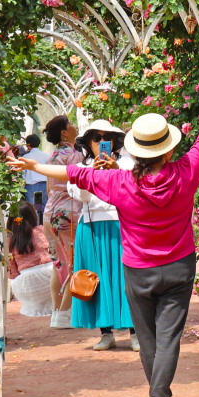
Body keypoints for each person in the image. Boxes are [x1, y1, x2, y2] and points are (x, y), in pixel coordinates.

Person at [7, 83, 199, 397]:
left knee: (148, 338)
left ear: (136, 152)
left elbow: (73, 173)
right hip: (178, 267)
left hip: (138, 270)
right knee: (168, 337)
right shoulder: (187, 171)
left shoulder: (120, 182)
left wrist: (34, 166)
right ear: (168, 150)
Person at [68, 119, 138, 352]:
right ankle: (106, 333)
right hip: (91, 228)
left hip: (121, 225)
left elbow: (134, 189)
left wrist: (114, 170)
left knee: (126, 280)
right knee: (96, 280)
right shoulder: (82, 167)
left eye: (107, 138)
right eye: (96, 138)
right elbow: (81, 196)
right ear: (88, 142)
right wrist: (93, 174)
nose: (102, 142)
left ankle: (135, 333)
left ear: (114, 141)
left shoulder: (127, 164)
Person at [42, 115, 84, 329]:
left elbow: (49, 187)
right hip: (69, 212)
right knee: (74, 261)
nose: (74, 126)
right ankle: (65, 313)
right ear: (64, 133)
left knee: (58, 263)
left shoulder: (51, 157)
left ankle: (56, 312)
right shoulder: (75, 156)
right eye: (70, 124)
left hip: (50, 212)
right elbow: (80, 185)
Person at [6, 201, 55, 318]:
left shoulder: (10, 240)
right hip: (49, 279)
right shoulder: (41, 230)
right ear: (32, 216)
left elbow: (12, 272)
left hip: (26, 287)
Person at [22, 133, 50, 221]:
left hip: (32, 187)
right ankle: (46, 228)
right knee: (45, 210)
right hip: (44, 186)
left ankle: (36, 228)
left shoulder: (26, 157)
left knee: (34, 211)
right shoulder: (46, 156)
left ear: (28, 145)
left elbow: (22, 174)